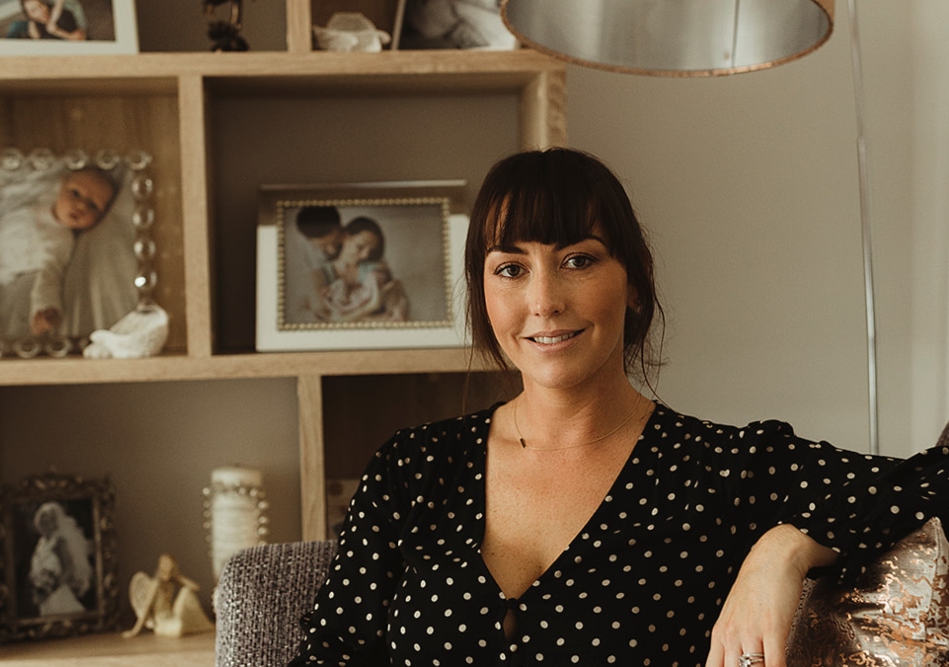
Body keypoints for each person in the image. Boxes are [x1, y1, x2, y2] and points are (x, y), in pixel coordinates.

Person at [288, 147, 949, 667]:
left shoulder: (722, 469)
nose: (544, 300)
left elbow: (934, 481)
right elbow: (331, 654)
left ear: (633, 284)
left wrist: (786, 547)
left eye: (577, 259)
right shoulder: (412, 467)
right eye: (511, 268)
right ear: (482, 295)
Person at [0, 165, 117, 338]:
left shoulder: (61, 241)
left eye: (93, 206)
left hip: (0, 273)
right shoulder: (42, 198)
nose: (81, 205)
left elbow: (49, 277)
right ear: (61, 184)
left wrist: (45, 309)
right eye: (75, 193)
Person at [319, 216, 409, 323]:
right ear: (344, 237)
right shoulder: (322, 272)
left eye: (370, 251)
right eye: (360, 246)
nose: (365, 255)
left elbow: (396, 315)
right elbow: (326, 320)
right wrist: (373, 307)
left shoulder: (376, 271)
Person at [122, 553, 214, 638]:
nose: (168, 566)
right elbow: (147, 607)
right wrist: (134, 631)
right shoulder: (156, 583)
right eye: (165, 563)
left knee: (186, 591)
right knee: (179, 627)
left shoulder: (172, 582)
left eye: (170, 563)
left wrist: (177, 576)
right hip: (162, 623)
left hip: (171, 617)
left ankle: (202, 624)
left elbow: (195, 587)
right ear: (160, 565)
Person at [27, 501, 94, 617]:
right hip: (42, 595)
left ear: (55, 523)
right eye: (42, 522)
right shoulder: (41, 543)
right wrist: (36, 582)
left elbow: (69, 570)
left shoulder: (59, 542)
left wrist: (51, 586)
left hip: (57, 593)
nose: (45, 525)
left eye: (49, 522)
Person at [6, 0, 85, 40]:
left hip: (65, 19)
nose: (40, 12)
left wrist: (57, 31)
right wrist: (32, 22)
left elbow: (80, 39)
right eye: (33, 11)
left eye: (40, 7)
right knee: (16, 26)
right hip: (46, 17)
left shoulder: (66, 14)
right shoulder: (38, 12)